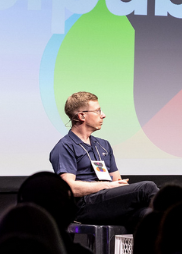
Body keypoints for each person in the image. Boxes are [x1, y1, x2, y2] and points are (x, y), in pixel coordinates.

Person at [49, 91, 158, 230]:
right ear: (81, 116)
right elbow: (70, 188)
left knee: (147, 215)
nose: (103, 115)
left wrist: (116, 185)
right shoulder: (64, 147)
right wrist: (109, 186)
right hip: (84, 206)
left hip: (108, 201)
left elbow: (116, 180)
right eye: (98, 111)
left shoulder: (103, 145)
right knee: (147, 188)